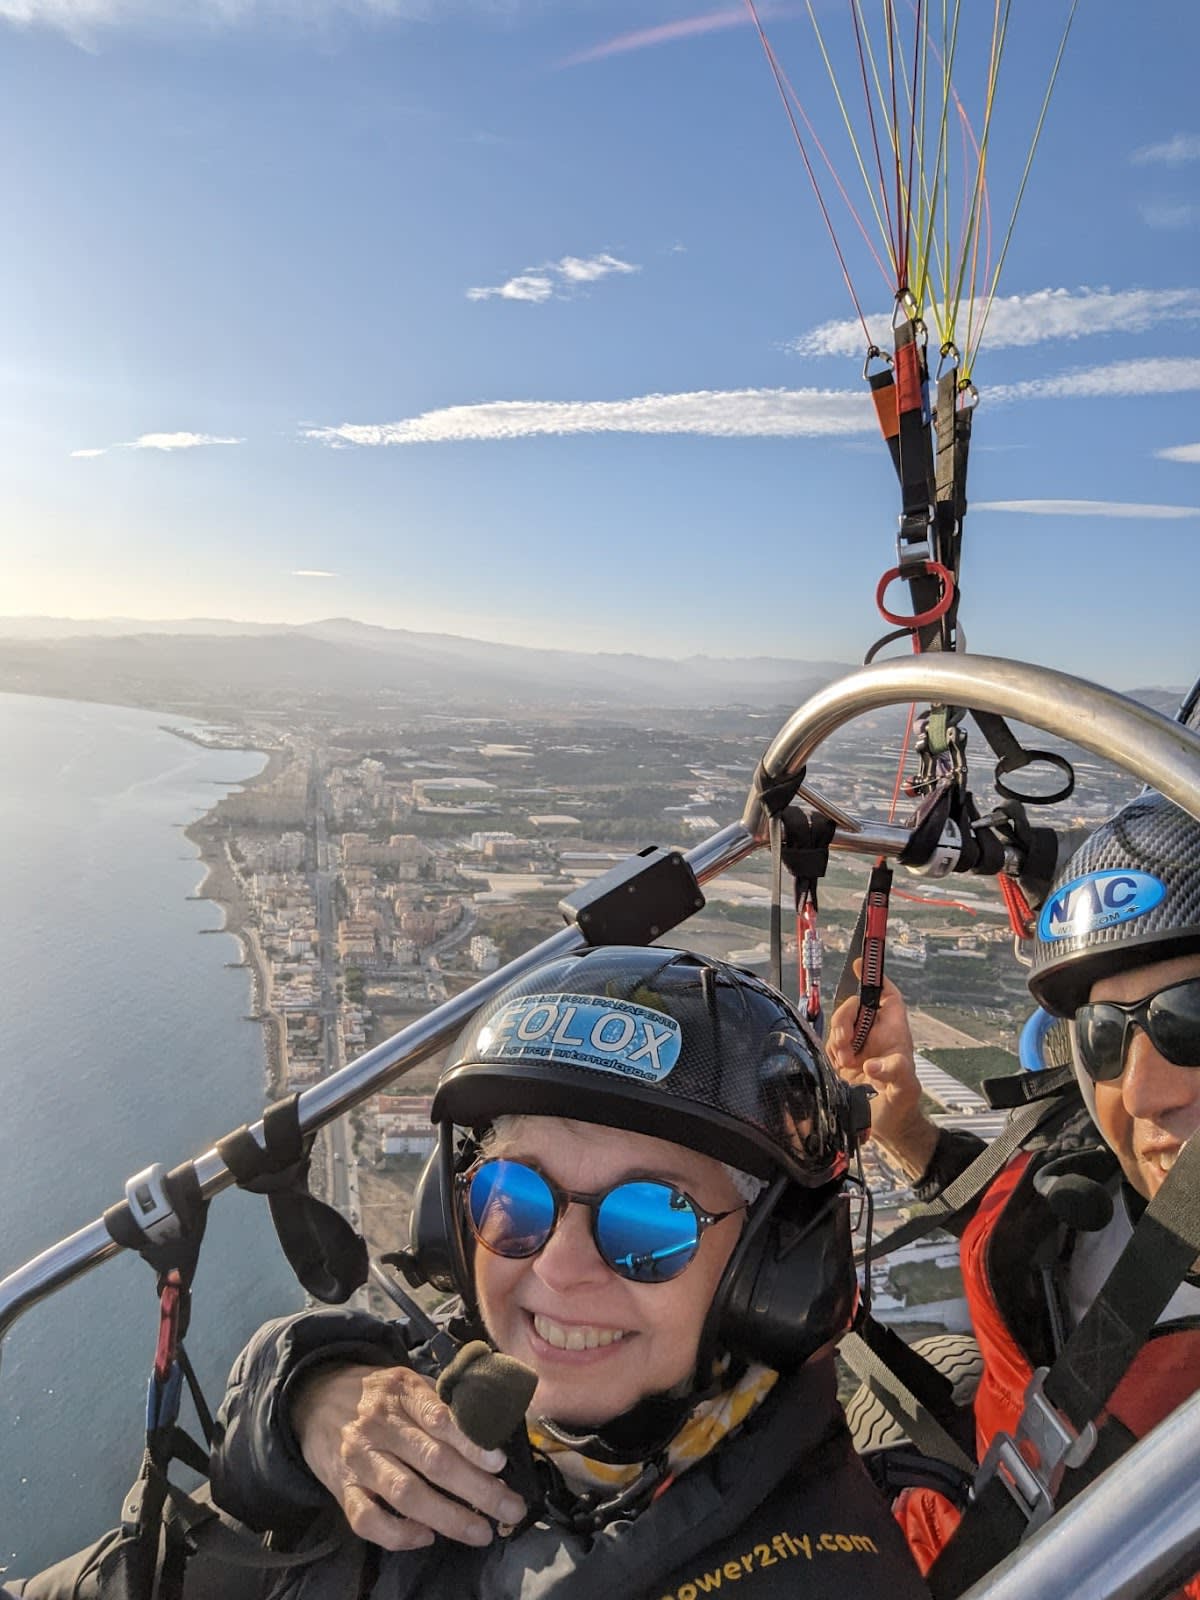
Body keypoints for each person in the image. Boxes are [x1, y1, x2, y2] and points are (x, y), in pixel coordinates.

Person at [208, 944, 932, 1599]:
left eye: (650, 1220)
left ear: (773, 1269)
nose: (558, 1266)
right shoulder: (450, 1379)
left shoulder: (827, 1577)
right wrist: (309, 1394)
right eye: (514, 1198)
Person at [827, 790, 1200, 1591]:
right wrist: (907, 1130)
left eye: (1190, 1019)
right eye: (1104, 1035)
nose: (1141, 1090)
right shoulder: (1074, 1195)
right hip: (979, 1517)